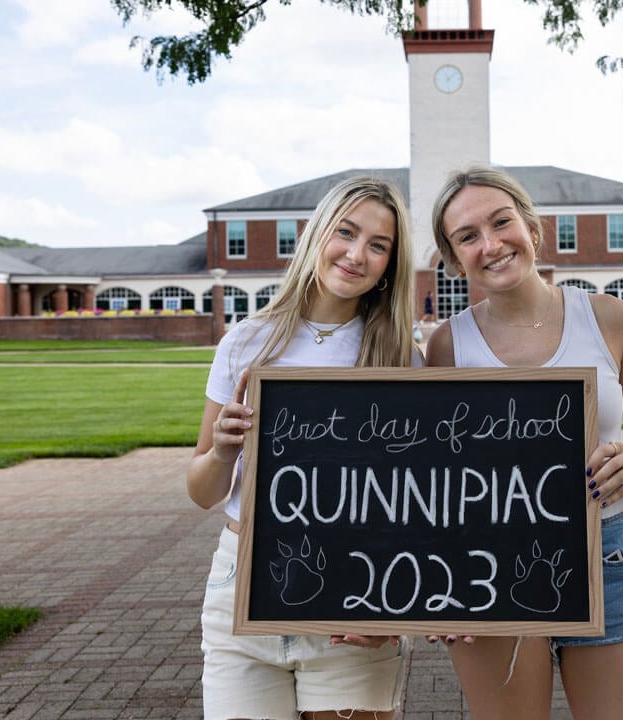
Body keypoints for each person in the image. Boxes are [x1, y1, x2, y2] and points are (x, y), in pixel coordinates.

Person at [424, 167, 623, 720]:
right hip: (485, 568)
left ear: (533, 229)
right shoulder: (447, 346)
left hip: (604, 556)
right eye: (468, 236)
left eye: (501, 222)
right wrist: (436, 584)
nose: (490, 245)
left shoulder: (609, 319)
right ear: (453, 257)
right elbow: (433, 485)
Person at [188, 176, 420, 720]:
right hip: (241, 587)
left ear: (390, 263)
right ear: (319, 233)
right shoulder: (246, 341)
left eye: (378, 245)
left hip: (354, 594)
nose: (357, 254)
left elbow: (416, 503)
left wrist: (392, 609)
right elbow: (201, 491)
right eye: (346, 232)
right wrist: (222, 452)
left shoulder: (398, 357)